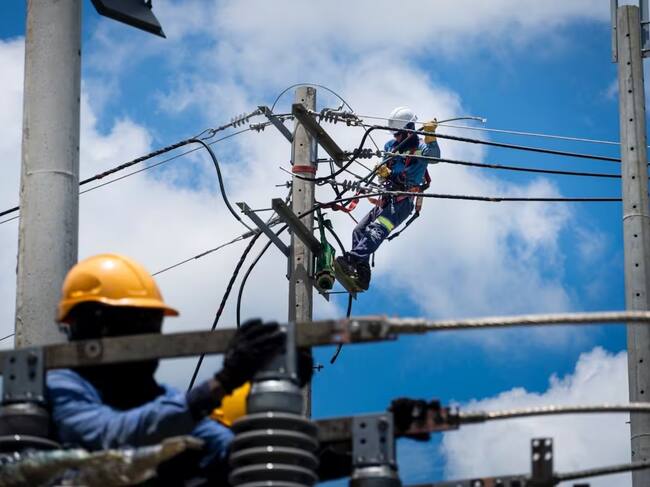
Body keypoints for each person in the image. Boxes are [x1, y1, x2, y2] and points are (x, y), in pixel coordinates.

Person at [46, 253, 287, 485]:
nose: (150, 337)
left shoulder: (160, 398)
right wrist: (222, 383)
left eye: (153, 324)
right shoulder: (62, 387)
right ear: (93, 324)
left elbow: (224, 450)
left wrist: (285, 385)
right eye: (138, 323)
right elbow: (110, 436)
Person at [335, 106, 440, 290]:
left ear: (409, 129)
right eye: (395, 134)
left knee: (376, 230)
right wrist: (383, 173)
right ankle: (362, 275)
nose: (396, 137)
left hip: (403, 201)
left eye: (398, 134)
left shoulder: (422, 147)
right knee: (359, 231)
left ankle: (352, 259)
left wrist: (431, 136)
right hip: (387, 198)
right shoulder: (390, 147)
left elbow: (435, 158)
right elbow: (385, 174)